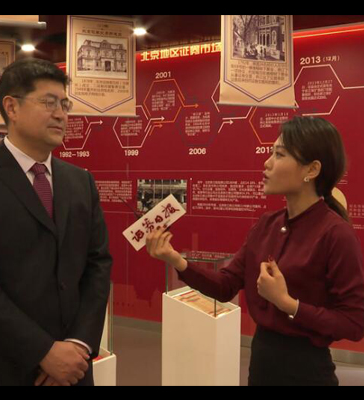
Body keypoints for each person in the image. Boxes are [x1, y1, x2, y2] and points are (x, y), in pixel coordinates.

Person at [146, 116, 364, 386]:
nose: (267, 163)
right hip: (261, 365)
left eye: (279, 155)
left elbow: (354, 322)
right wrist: (176, 260)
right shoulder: (266, 225)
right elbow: (225, 286)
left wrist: (288, 304)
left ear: (312, 169)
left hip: (307, 372)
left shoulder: (336, 234)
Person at [0, 58, 113, 386]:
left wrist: (79, 345)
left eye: (64, 104)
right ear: (12, 108)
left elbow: (98, 265)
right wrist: (44, 352)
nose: (61, 114)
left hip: (72, 369)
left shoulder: (80, 181)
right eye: (49, 102)